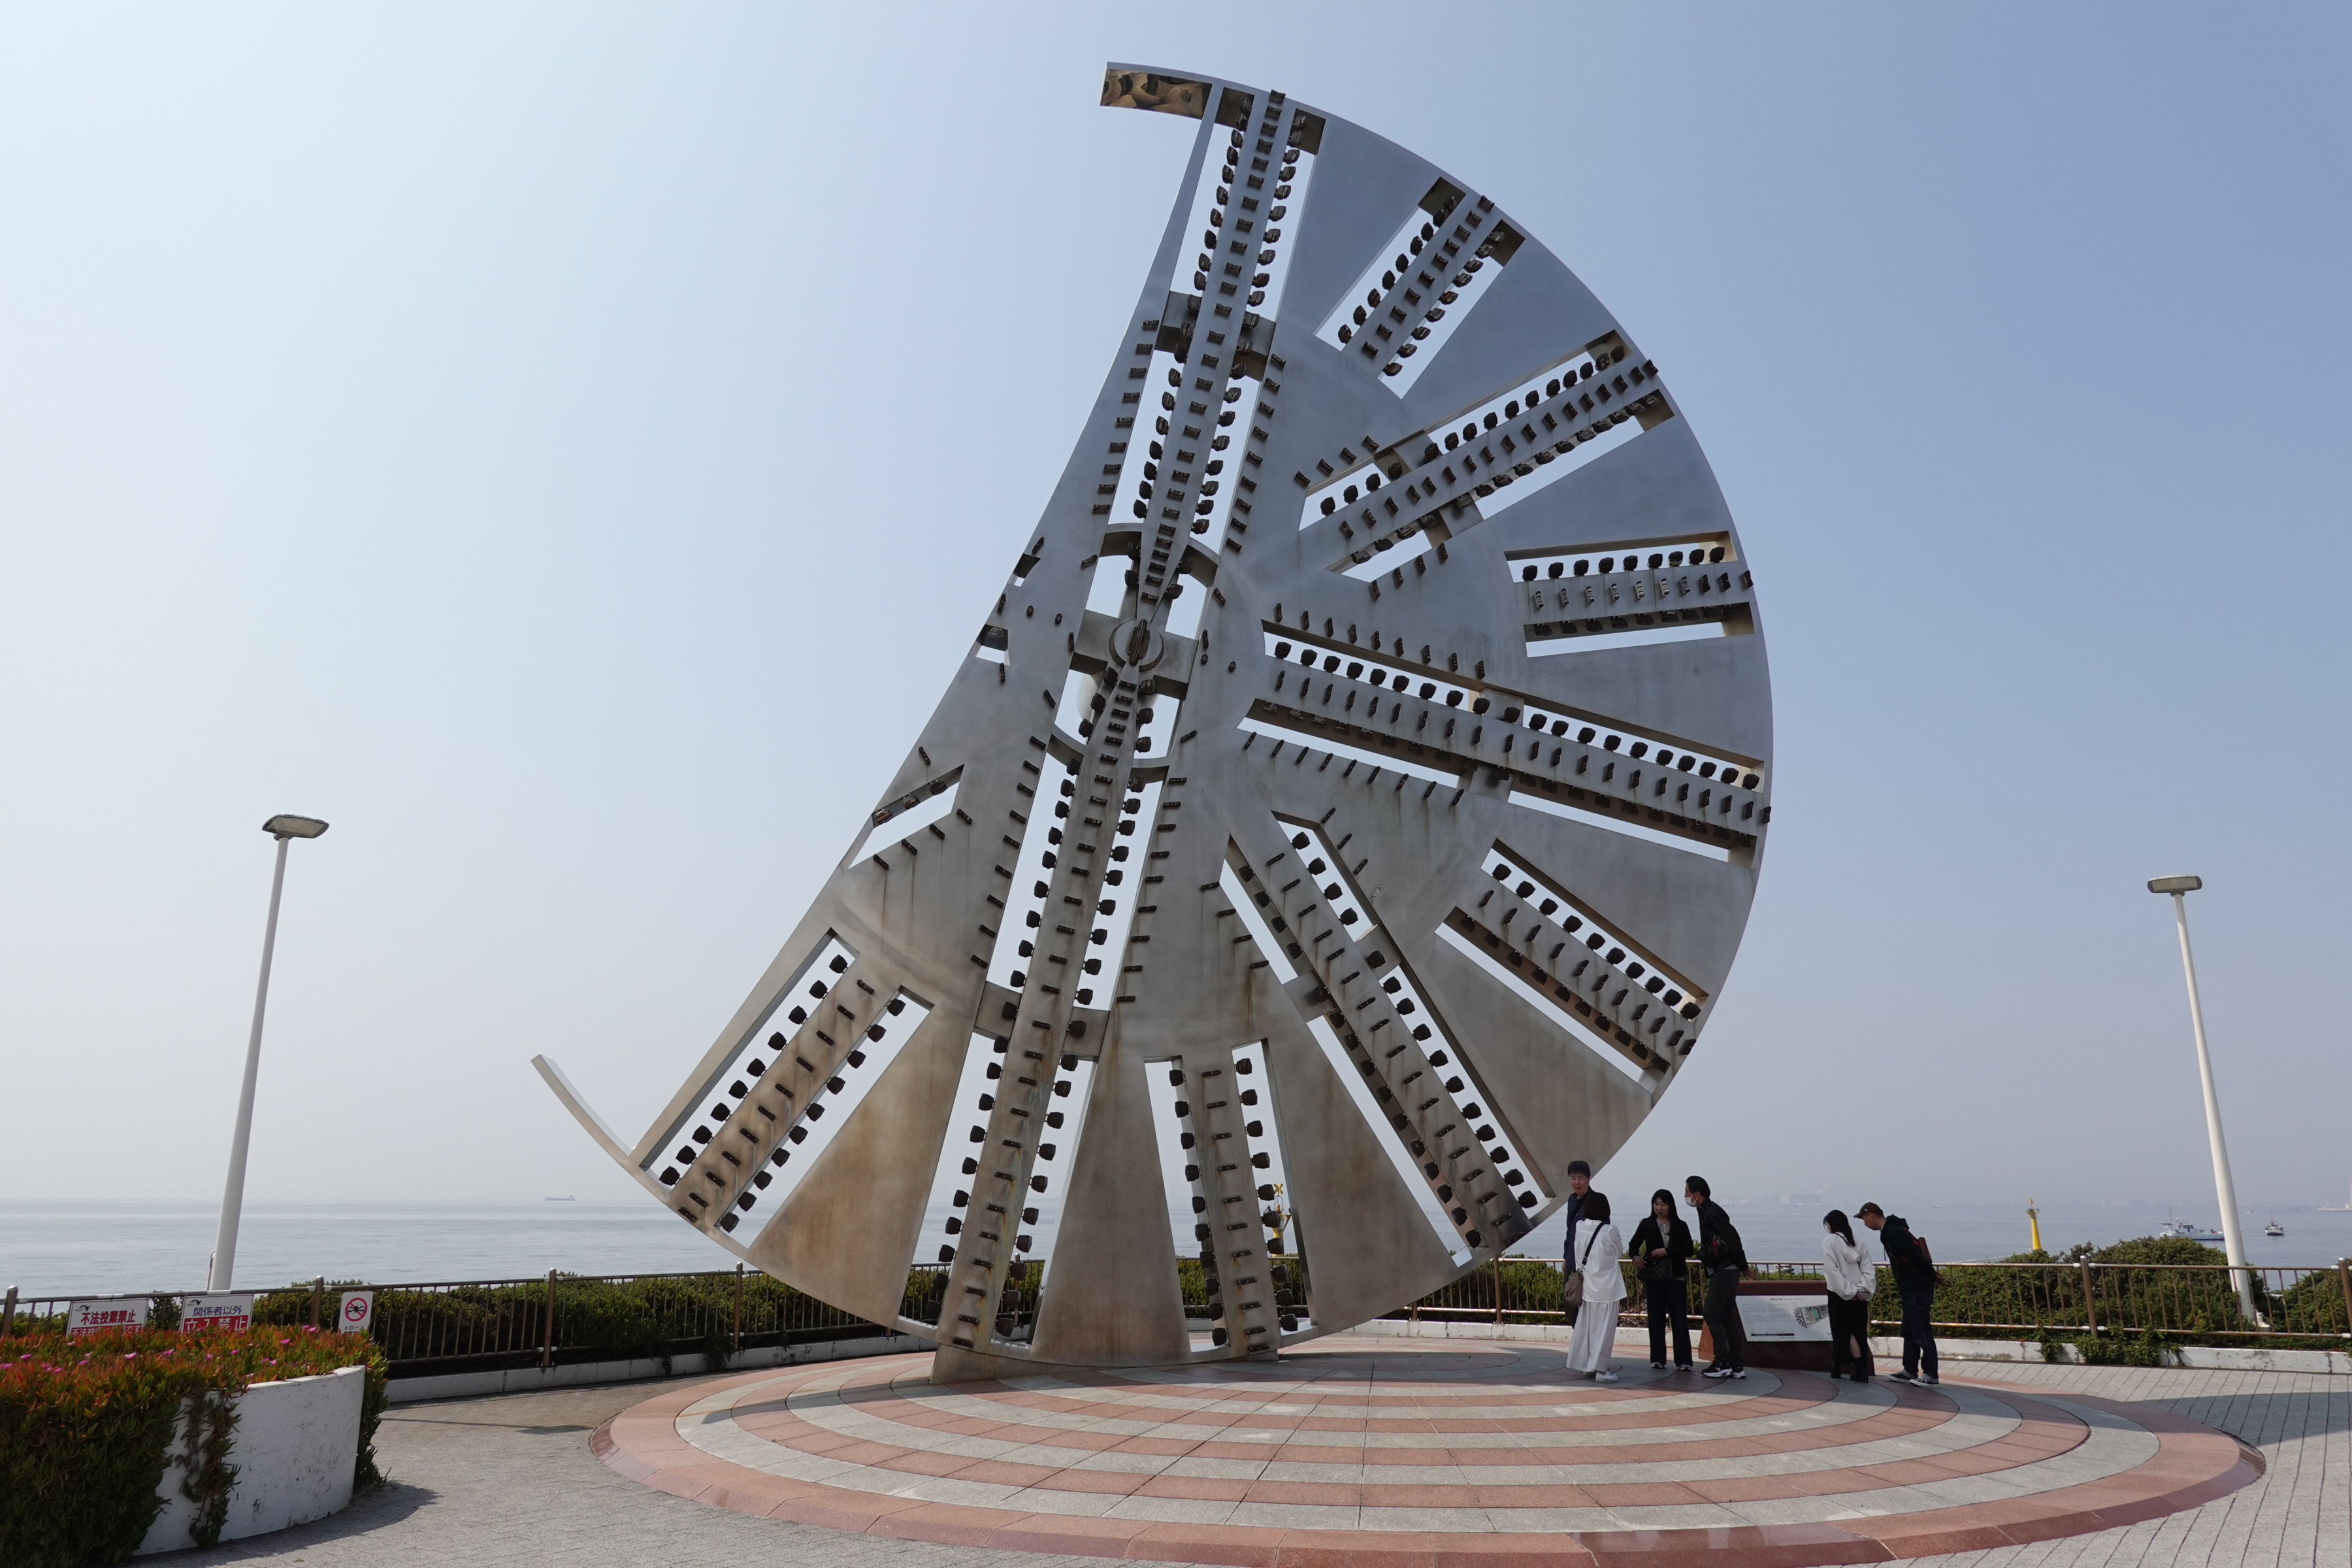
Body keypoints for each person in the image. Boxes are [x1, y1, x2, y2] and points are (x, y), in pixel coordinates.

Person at [1859, 1203, 1938, 1386]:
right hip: (1910, 1288)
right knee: (1909, 1331)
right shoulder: (1892, 1230)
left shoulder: (1893, 1232)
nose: (1865, 1224)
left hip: (1916, 1287)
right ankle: (1909, 1370)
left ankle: (1931, 1374)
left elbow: (1916, 1257)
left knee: (1921, 1331)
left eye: (1864, 1219)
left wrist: (1933, 1276)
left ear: (1871, 1215)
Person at [1685, 1175, 1747, 1380]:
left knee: (1711, 1312)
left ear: (1697, 1194)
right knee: (1727, 1316)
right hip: (1725, 1270)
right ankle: (1736, 1366)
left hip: (1726, 1270)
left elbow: (1732, 1238)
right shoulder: (1705, 1211)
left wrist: (1743, 1266)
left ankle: (1722, 1363)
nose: (1686, 1195)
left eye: (1687, 1191)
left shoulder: (1713, 1212)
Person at [1626, 1188, 1695, 1370]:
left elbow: (1689, 1249)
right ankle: (1657, 1359)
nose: (1659, 1208)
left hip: (1676, 1277)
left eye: (1663, 1204)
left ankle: (1684, 1361)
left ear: (1670, 1206)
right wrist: (1636, 1258)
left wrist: (1667, 1251)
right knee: (1655, 1319)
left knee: (1679, 1319)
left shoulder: (1680, 1225)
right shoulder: (1647, 1224)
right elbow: (1633, 1245)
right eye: (1656, 1204)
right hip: (1655, 1279)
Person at [1561, 1190, 1625, 1380]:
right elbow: (1619, 1252)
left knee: (1587, 1329)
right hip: (1608, 1289)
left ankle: (1586, 1365)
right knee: (1604, 1331)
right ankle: (1601, 1370)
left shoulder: (1580, 1227)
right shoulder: (1610, 1231)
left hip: (1587, 1287)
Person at [1820, 1209, 1875, 1383]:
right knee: (1858, 1331)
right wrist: (1862, 1291)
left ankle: (1840, 1366)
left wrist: (1849, 1292)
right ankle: (1859, 1368)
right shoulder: (1858, 1243)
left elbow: (1833, 1272)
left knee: (1841, 1331)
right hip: (1860, 1297)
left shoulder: (1829, 1242)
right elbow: (1868, 1270)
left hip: (1839, 1295)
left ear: (1831, 1225)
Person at [1559, 1160, 1599, 1325]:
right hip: (1571, 1261)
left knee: (1589, 1305)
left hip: (1589, 1264)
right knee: (1570, 1302)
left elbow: (1602, 1232)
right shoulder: (1571, 1200)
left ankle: (1587, 1339)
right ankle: (1579, 1337)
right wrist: (1566, 1258)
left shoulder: (1596, 1201)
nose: (1577, 1183)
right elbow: (1570, 1231)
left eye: (1580, 1178)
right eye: (1573, 1178)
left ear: (1589, 1179)